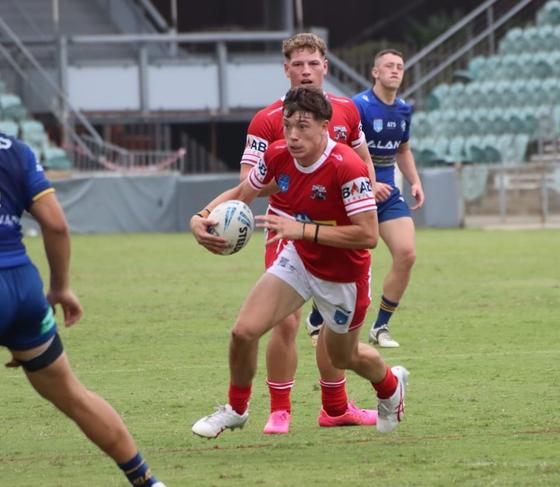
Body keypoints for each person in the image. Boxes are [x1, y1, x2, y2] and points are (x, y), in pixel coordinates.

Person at [190, 86, 408, 440]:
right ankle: (236, 409)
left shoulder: (346, 167)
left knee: (343, 357)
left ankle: (389, 385)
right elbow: (243, 192)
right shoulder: (278, 155)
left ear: (325, 126)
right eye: (288, 125)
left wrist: (302, 229)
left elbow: (367, 236)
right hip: (300, 260)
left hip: (343, 277)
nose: (293, 135)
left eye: (303, 126)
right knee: (243, 332)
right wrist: (201, 216)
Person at [0, 133, 165, 487]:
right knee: (74, 396)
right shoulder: (15, 149)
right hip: (23, 289)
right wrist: (59, 287)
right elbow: (56, 224)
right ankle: (147, 480)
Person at [235, 32, 378, 434]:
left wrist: (363, 201)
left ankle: (335, 407)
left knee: (335, 327)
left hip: (340, 232)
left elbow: (362, 162)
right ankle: (280, 409)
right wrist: (294, 191)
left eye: (313, 63)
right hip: (286, 229)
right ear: (286, 70)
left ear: (325, 66)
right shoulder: (267, 120)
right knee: (285, 322)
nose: (305, 71)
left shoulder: (347, 110)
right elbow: (249, 180)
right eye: (297, 64)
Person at [307, 49, 424, 348]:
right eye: (389, 66)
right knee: (345, 261)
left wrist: (415, 181)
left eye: (400, 66)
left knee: (407, 254)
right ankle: (318, 316)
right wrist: (368, 185)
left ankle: (381, 328)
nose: (395, 70)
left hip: (387, 193)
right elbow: (339, 149)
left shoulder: (403, 110)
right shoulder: (357, 106)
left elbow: (403, 149)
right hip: (354, 192)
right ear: (375, 72)